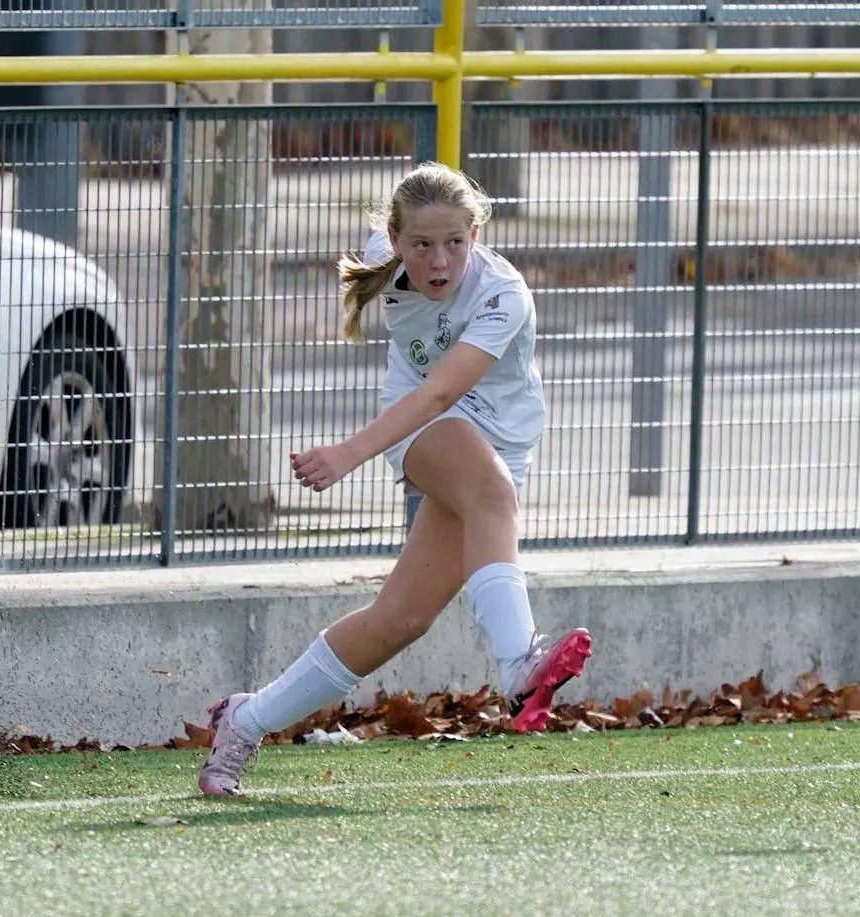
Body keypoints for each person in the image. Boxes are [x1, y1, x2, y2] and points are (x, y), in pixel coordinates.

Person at [198, 161, 593, 797]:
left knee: (399, 620)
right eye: (421, 245)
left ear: (475, 233)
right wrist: (353, 454)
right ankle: (521, 663)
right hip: (423, 427)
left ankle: (244, 719)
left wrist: (348, 453)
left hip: (491, 436)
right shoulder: (388, 255)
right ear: (396, 238)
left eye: (454, 243)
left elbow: (444, 389)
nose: (439, 261)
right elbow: (433, 403)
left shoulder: (502, 294)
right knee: (493, 492)